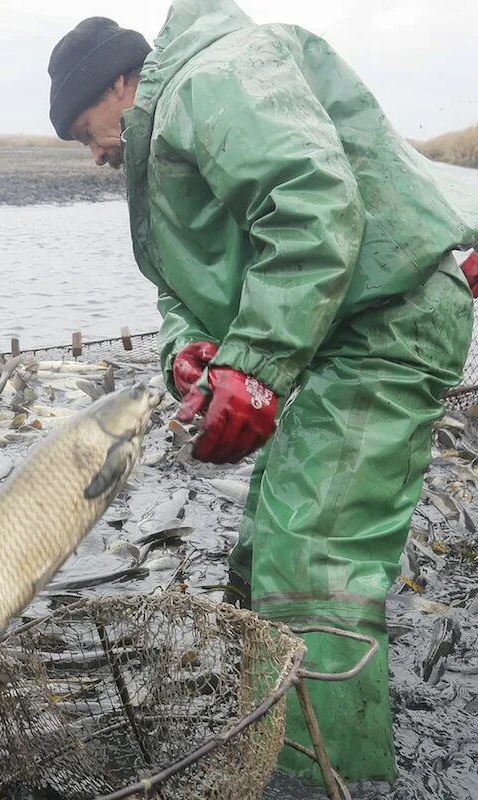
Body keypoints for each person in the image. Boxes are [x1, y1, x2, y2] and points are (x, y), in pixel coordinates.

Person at [47, 0, 478, 785]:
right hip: (334, 332)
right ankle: (270, 736)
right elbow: (178, 289)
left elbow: (316, 204)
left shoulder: (210, 81)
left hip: (386, 321)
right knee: (263, 550)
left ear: (120, 84)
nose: (94, 154)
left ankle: (319, 780)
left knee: (313, 560)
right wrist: (192, 352)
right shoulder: (169, 124)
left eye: (86, 133)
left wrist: (257, 361)